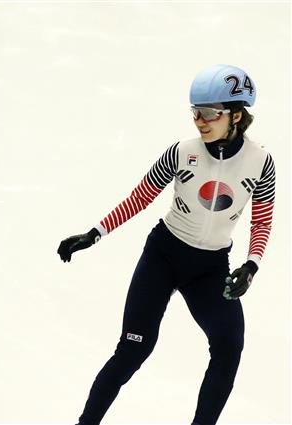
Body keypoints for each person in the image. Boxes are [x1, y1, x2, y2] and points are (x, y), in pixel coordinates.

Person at [57, 64, 275, 425]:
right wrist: (94, 232)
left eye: (208, 113)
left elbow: (262, 220)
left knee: (229, 345)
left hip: (210, 268)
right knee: (133, 349)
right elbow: (140, 197)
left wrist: (251, 266)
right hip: (164, 257)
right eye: (195, 113)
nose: (199, 121)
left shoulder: (261, 163)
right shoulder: (182, 152)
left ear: (236, 115)